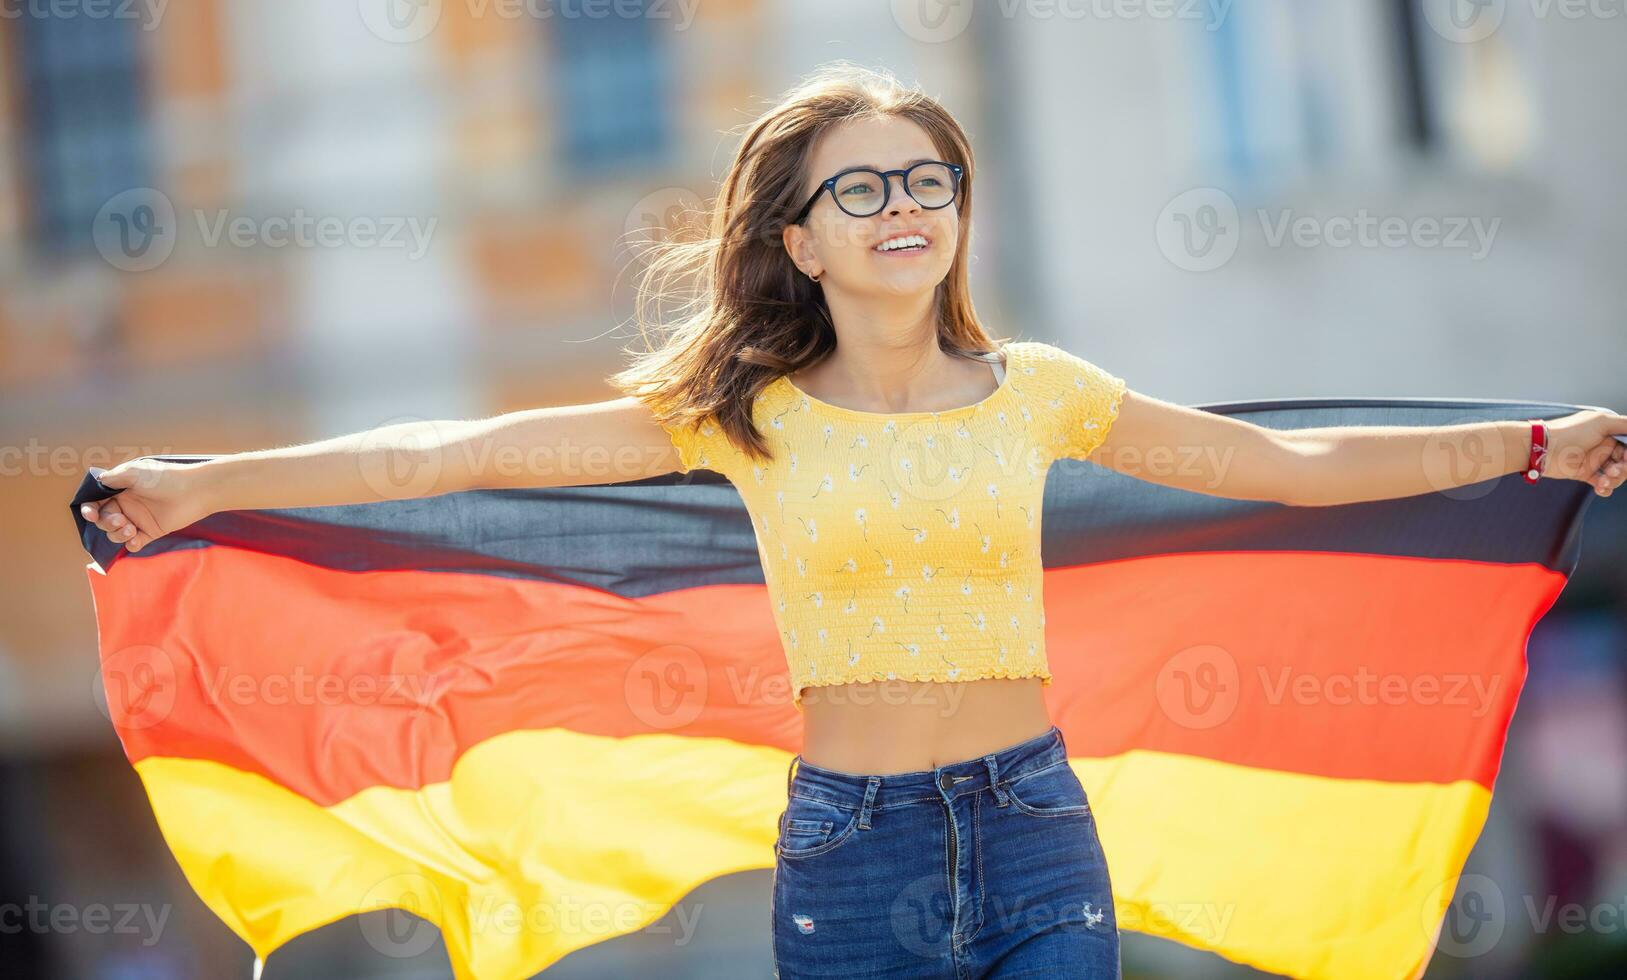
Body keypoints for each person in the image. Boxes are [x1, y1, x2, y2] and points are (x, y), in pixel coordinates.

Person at [77, 62, 1627, 978]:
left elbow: (1283, 469)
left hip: (1034, 831)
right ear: (800, 241)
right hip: (850, 854)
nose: (904, 203)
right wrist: (208, 485)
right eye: (861, 186)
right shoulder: (740, 414)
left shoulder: (1041, 391)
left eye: (929, 176)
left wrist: (1534, 440)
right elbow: (447, 455)